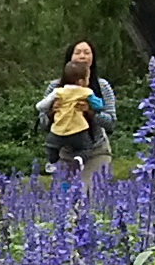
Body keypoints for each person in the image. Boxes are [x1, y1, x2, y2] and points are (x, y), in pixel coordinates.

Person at [35, 43, 116, 184]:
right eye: (77, 52)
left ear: (93, 58)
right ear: (70, 58)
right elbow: (41, 122)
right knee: (65, 200)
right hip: (65, 154)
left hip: (95, 152)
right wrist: (52, 112)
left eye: (87, 52)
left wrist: (91, 112)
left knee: (91, 197)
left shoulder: (102, 86)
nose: (82, 56)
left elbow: (111, 123)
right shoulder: (56, 88)